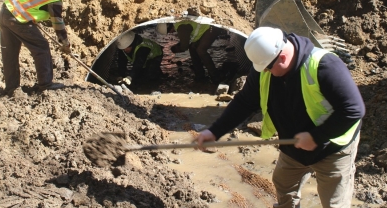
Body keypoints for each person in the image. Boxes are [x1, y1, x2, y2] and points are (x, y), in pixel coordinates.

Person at [195, 26, 365, 207]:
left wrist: (317, 137)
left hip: (332, 148)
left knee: (333, 203)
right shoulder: (264, 68)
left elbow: (354, 109)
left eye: (268, 68)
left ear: (282, 58)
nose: (265, 72)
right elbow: (244, 102)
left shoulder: (325, 66)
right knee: (283, 184)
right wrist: (215, 131)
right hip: (293, 145)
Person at [0, 0, 79, 95]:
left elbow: (28, 0)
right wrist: (65, 43)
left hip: (5, 11)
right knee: (41, 47)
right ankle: (46, 84)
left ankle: (11, 88)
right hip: (18, 19)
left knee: (10, 52)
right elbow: (57, 23)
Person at [156, 20, 225, 84]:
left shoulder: (181, 27)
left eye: (169, 31)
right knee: (192, 48)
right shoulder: (179, 25)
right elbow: (189, 41)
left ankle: (215, 76)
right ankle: (200, 75)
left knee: (201, 50)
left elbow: (184, 46)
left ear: (169, 27)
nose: (170, 33)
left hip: (212, 28)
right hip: (204, 30)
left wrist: (177, 49)